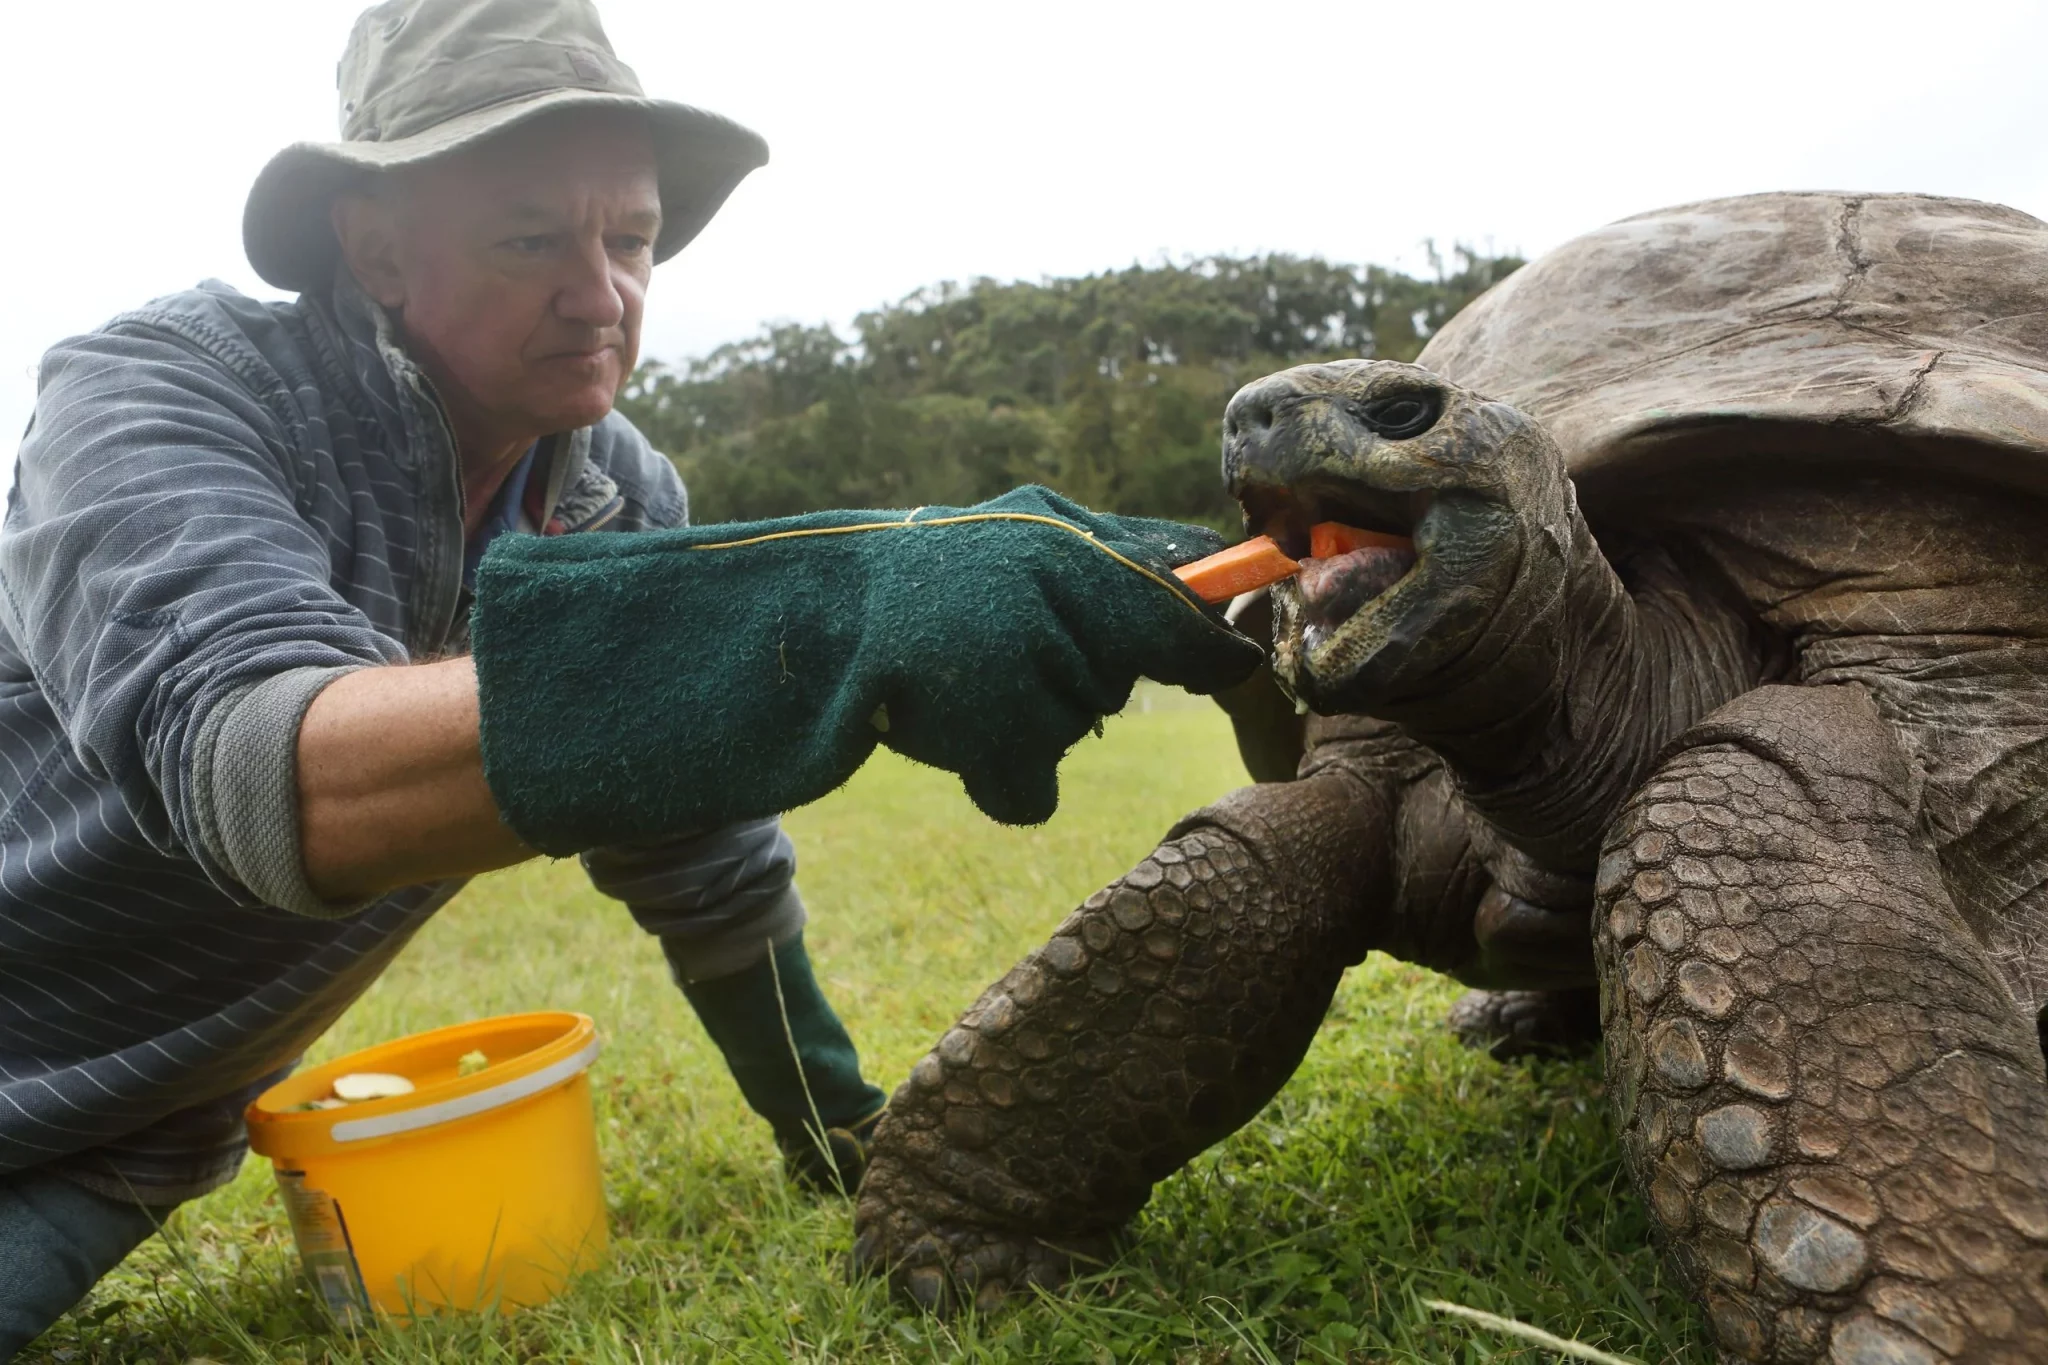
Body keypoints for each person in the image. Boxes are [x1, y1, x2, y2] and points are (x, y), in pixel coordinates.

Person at [0, 0, 1259, 1351]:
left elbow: (700, 863)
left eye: (634, 240)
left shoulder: (616, 499)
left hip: (130, 1140)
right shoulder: (162, 394)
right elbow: (263, 776)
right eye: (531, 237)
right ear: (374, 247)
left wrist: (841, 1134)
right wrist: (817, 618)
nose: (602, 296)